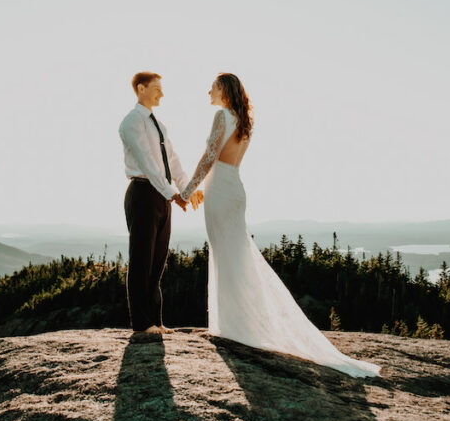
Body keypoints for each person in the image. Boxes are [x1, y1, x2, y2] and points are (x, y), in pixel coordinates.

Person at [180, 73, 380, 377]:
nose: (208, 91)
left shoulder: (221, 116)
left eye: (213, 86)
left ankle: (231, 327)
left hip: (220, 188)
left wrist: (187, 189)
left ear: (224, 90)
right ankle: (237, 324)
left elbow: (209, 157)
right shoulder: (244, 120)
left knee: (225, 255)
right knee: (236, 256)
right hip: (234, 186)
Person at [118, 72, 189, 335]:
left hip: (161, 194)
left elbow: (172, 159)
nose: (162, 94)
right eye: (157, 88)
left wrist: (186, 189)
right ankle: (142, 323)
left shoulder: (159, 124)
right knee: (141, 260)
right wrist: (173, 194)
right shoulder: (131, 122)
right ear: (140, 89)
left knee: (158, 260)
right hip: (143, 193)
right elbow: (147, 162)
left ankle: (156, 322)